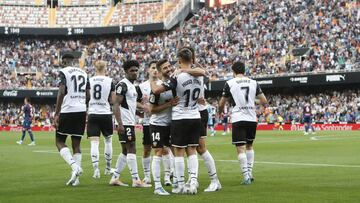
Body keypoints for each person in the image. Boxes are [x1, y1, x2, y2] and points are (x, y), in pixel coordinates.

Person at [151, 48, 206, 194]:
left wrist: (152, 79)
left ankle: (181, 184)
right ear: (192, 59)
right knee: (193, 150)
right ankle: (193, 181)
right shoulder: (199, 75)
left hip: (180, 117)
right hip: (195, 116)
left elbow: (157, 91)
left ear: (179, 61)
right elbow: (202, 71)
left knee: (179, 151)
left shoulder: (176, 77)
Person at [219, 61, 267, 185]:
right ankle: (250, 173)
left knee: (240, 148)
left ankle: (246, 176)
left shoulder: (230, 83)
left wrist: (219, 112)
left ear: (233, 72)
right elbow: (264, 100)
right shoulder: (254, 82)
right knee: (250, 146)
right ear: (244, 71)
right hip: (251, 118)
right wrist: (255, 104)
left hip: (238, 118)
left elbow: (221, 103)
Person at [180, 46, 221, 192]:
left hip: (198, 112)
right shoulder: (192, 71)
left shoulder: (194, 71)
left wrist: (183, 70)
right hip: (193, 112)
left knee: (200, 148)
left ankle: (215, 180)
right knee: (189, 148)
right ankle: (193, 179)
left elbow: (204, 72)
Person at [109, 60, 151, 188]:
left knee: (125, 151)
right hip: (125, 123)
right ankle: (136, 180)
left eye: (136, 70)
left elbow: (130, 106)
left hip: (129, 121)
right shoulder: (123, 85)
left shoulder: (133, 86)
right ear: (126, 71)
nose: (134, 73)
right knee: (131, 147)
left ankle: (115, 177)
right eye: (132, 70)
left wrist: (141, 113)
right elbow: (115, 104)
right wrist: (120, 124)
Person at [54, 50, 90, 186]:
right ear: (74, 61)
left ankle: (75, 167)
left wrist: (57, 113)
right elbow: (89, 96)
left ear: (64, 62)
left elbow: (61, 92)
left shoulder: (64, 72)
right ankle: (76, 180)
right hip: (81, 111)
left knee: (59, 141)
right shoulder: (84, 73)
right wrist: (80, 103)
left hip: (68, 110)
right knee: (76, 144)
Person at [148, 58, 179, 195]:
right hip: (157, 125)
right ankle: (157, 187)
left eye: (169, 66)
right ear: (160, 72)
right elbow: (152, 110)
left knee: (177, 152)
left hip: (171, 124)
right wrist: (169, 104)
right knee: (158, 152)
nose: (168, 69)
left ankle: (178, 182)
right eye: (165, 68)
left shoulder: (174, 83)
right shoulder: (157, 87)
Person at [87, 60, 115, 179]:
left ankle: (96, 170)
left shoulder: (90, 80)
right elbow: (113, 100)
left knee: (94, 143)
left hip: (93, 113)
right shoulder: (110, 81)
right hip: (105, 113)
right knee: (108, 141)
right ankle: (108, 168)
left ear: (95, 68)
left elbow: (87, 97)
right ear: (105, 67)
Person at [136, 61, 158, 184]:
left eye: (157, 68)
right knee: (147, 149)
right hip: (147, 122)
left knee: (162, 149)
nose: (155, 70)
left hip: (161, 122)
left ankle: (167, 175)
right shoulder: (142, 86)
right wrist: (143, 107)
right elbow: (135, 102)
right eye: (153, 68)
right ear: (148, 70)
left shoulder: (163, 84)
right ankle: (147, 175)